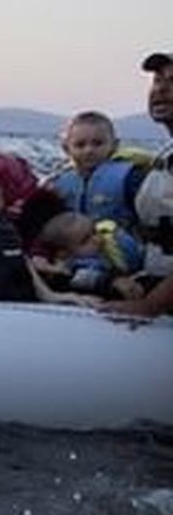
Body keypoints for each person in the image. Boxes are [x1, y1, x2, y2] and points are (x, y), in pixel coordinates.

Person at [108, 52, 173, 317]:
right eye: (157, 80)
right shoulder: (165, 156)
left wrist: (150, 307)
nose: (161, 89)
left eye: (172, 81)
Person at [43, 111, 147, 224]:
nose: (89, 150)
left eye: (98, 143)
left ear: (114, 145)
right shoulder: (56, 184)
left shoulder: (131, 178)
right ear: (66, 148)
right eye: (80, 145)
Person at [33, 213, 147, 301]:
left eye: (94, 231)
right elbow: (87, 277)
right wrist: (113, 281)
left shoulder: (107, 247)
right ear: (64, 253)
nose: (96, 239)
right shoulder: (75, 267)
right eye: (85, 240)